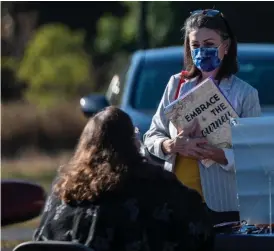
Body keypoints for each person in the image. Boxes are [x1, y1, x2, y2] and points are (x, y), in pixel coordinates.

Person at [33, 107, 214, 251]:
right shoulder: (155, 185)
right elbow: (200, 230)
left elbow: (39, 241)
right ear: (133, 142)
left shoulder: (62, 189)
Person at [143, 9, 262, 224]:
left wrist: (220, 155)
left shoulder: (245, 94)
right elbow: (151, 136)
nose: (202, 51)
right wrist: (172, 146)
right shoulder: (176, 84)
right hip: (177, 200)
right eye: (195, 46)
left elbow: (255, 157)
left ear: (225, 46)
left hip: (223, 205)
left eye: (209, 44)